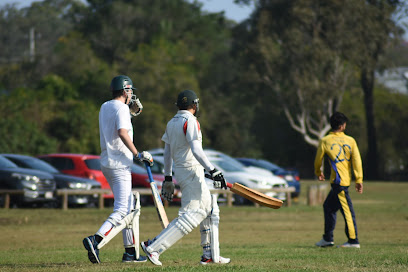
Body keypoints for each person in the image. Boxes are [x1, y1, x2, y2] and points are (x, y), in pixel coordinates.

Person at [140, 89, 231, 266]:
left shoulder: (171, 122)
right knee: (193, 214)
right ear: (195, 105)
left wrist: (167, 177)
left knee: (211, 209)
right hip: (190, 172)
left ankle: (211, 254)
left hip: (184, 171)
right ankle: (153, 247)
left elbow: (168, 152)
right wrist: (213, 170)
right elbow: (196, 150)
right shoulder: (191, 121)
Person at [83, 75, 154, 264]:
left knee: (129, 206)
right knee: (123, 209)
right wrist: (138, 153)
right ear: (124, 91)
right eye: (130, 91)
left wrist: (133, 110)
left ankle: (130, 253)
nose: (131, 94)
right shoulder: (122, 108)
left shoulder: (105, 106)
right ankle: (95, 240)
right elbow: (122, 131)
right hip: (120, 164)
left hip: (107, 162)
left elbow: (120, 119)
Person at [314, 112, 363, 248]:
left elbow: (318, 160)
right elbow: (357, 161)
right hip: (342, 182)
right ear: (342, 126)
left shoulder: (325, 140)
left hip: (338, 183)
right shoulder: (351, 141)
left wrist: (319, 172)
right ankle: (329, 239)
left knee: (346, 210)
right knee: (329, 207)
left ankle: (353, 240)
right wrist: (359, 179)